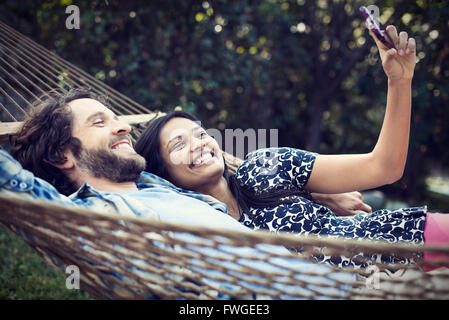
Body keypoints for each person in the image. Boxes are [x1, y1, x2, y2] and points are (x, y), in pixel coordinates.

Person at [134, 25, 449, 270]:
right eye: (179, 144)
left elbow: (384, 167)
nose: (199, 144)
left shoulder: (262, 169)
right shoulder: (197, 233)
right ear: (162, 172)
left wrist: (399, 81)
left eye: (200, 133)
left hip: (406, 241)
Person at [0, 88, 354, 299]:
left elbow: (221, 172)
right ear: (60, 155)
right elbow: (13, 181)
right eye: (99, 122)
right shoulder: (92, 218)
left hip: (342, 278)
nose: (123, 125)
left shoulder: (157, 183)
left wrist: (313, 190)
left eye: (115, 117)